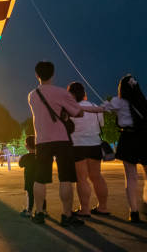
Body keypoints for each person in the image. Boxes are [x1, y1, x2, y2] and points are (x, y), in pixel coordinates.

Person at [28, 61, 85, 227]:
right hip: (62, 139)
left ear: (37, 75)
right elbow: (78, 112)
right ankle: (66, 215)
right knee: (65, 177)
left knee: (40, 178)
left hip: (42, 141)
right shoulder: (61, 93)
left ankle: (38, 213)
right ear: (53, 74)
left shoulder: (32, 95)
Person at [102, 74, 147, 222]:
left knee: (131, 178)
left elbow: (102, 108)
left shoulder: (118, 102)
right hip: (145, 138)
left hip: (128, 139)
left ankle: (133, 212)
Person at [67, 82, 109, 217]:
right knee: (97, 177)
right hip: (95, 144)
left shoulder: (70, 108)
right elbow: (101, 124)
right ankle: (103, 207)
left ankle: (85, 209)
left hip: (77, 145)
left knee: (82, 179)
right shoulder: (95, 107)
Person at [19, 135, 46, 217]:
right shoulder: (41, 156)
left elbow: (21, 165)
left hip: (29, 180)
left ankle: (29, 210)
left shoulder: (25, 157)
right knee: (41, 195)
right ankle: (43, 210)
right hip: (39, 179)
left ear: (27, 146)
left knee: (30, 195)